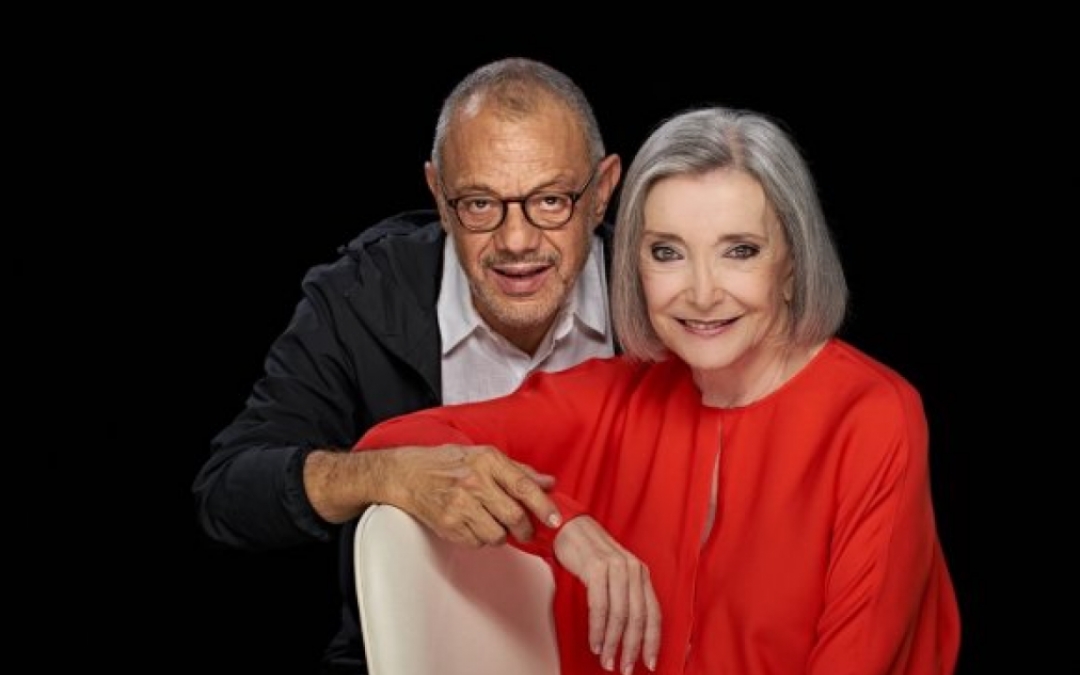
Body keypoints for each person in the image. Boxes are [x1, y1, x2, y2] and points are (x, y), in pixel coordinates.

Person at [353, 105, 962, 674]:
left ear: (792, 263)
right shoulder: (611, 398)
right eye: (668, 253)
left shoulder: (872, 415)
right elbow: (395, 441)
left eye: (740, 251)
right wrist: (566, 527)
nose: (702, 293)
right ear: (634, 265)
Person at [192, 57, 623, 673]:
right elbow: (227, 493)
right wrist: (384, 474)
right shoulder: (359, 297)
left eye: (551, 200)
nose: (517, 241)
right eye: (479, 203)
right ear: (439, 198)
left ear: (601, 192)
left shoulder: (662, 295)